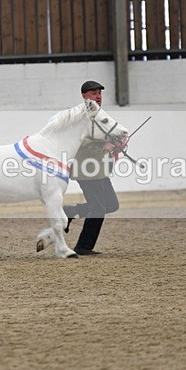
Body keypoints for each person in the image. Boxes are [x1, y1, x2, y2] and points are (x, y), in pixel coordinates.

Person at [63, 80, 120, 256]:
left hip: (99, 168)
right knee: (98, 208)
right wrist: (103, 146)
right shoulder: (79, 117)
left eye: (99, 93)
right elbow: (79, 142)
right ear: (84, 96)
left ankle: (71, 211)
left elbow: (106, 135)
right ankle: (83, 246)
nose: (98, 96)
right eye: (94, 93)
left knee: (111, 204)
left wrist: (117, 142)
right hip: (86, 169)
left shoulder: (99, 115)